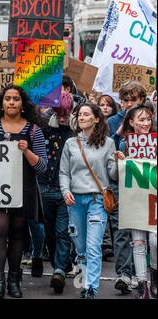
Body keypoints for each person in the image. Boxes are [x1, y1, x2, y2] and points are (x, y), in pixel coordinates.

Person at [0, 84, 47, 299]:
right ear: (1, 102)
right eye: (7, 98)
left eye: (15, 99)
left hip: (23, 188)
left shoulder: (34, 130)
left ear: (22, 103)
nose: (11, 102)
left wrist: (27, 151)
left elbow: (42, 166)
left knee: (18, 232)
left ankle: (14, 280)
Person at [60, 102, 120, 299]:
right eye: (79, 115)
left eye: (86, 114)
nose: (81, 117)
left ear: (96, 118)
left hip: (97, 200)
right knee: (81, 248)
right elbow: (64, 172)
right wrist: (65, 190)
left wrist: (119, 163)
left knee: (94, 246)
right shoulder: (70, 143)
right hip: (75, 200)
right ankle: (86, 280)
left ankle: (91, 288)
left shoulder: (108, 143)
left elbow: (112, 174)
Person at [107, 81, 147, 294]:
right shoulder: (113, 122)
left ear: (142, 100)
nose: (129, 104)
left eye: (134, 100)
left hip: (146, 185)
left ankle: (144, 274)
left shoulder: (151, 120)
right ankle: (124, 273)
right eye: (125, 100)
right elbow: (106, 145)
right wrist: (120, 132)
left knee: (144, 233)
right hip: (121, 184)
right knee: (122, 230)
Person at [118, 104, 157, 299]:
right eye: (141, 120)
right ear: (131, 122)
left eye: (148, 119)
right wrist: (122, 161)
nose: (146, 123)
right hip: (135, 199)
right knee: (138, 242)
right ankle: (143, 285)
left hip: (155, 199)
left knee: (155, 240)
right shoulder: (124, 144)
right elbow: (116, 175)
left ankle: (155, 277)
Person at [38, 92, 74, 294]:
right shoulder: (45, 127)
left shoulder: (76, 131)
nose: (62, 118)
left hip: (65, 189)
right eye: (59, 114)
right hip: (45, 185)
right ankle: (59, 263)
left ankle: (59, 270)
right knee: (50, 232)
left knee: (62, 231)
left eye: (65, 114)